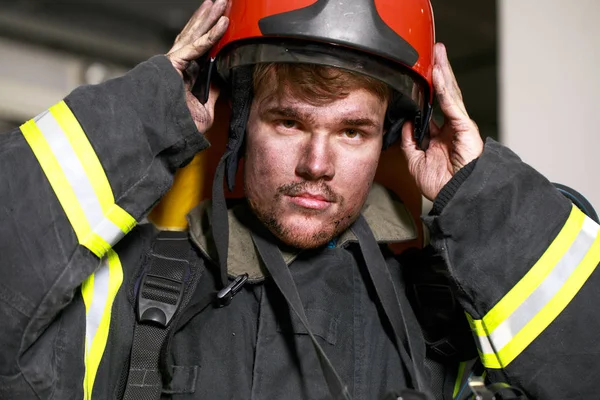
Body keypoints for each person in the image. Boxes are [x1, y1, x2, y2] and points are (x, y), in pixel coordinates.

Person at [1, 0, 599, 399]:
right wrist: (144, 116)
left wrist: (483, 197)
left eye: (352, 131)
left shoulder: (450, 318)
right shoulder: (131, 295)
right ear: (238, 124)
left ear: (391, 135)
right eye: (288, 121)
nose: (317, 165)